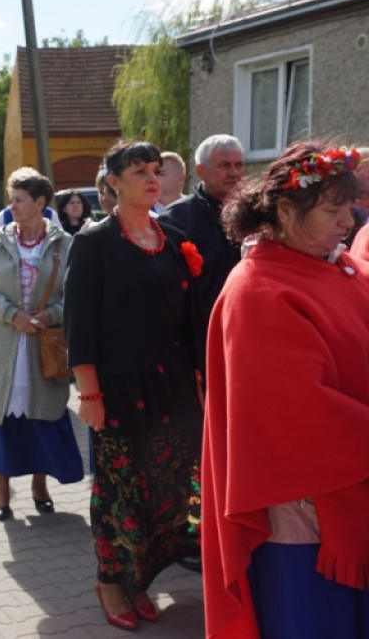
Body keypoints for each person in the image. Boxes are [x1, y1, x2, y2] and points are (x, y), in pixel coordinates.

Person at [202, 143, 369, 638]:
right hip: (305, 510)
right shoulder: (258, 288)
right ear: (285, 210)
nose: (349, 221)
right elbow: (298, 410)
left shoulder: (338, 267)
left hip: (346, 487)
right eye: (333, 210)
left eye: (350, 208)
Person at [65, 141, 203, 630]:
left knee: (164, 486)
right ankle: (109, 580)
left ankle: (139, 578)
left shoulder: (173, 235)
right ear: (113, 183)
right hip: (121, 386)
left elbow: (188, 317)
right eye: (139, 171)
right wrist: (90, 395)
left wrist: (199, 378)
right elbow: (79, 328)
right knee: (121, 489)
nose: (151, 178)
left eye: (155, 170)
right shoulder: (93, 242)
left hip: (174, 383)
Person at [0, 168, 82, 522]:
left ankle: (40, 486)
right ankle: (1, 489)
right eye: (11, 198)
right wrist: (11, 314)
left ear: (40, 202)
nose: (12, 205)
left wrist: (51, 315)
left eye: (19, 199)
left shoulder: (65, 244)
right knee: (3, 418)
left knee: (42, 418)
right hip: (5, 345)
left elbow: (77, 294)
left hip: (43, 347)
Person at [159, 134, 245, 344]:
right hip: (200, 338)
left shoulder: (257, 213)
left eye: (239, 165)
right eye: (224, 165)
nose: (234, 173)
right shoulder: (175, 220)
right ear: (201, 171)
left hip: (247, 329)